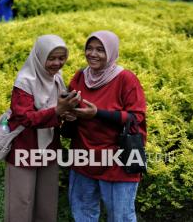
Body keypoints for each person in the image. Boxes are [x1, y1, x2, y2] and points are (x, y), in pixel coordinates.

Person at [62, 30, 147, 222]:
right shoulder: (80, 76)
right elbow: (70, 103)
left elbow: (136, 117)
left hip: (117, 159)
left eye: (100, 50)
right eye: (89, 48)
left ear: (111, 53)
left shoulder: (126, 79)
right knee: (83, 212)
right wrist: (69, 114)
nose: (93, 54)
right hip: (83, 155)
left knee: (121, 216)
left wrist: (98, 113)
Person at [5, 34, 79, 222]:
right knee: (22, 199)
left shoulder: (57, 79)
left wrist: (65, 114)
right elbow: (24, 118)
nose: (57, 63)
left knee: (47, 198)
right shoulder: (25, 81)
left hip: (49, 146)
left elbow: (58, 109)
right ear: (39, 56)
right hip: (25, 147)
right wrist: (57, 111)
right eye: (51, 58)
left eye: (61, 58)